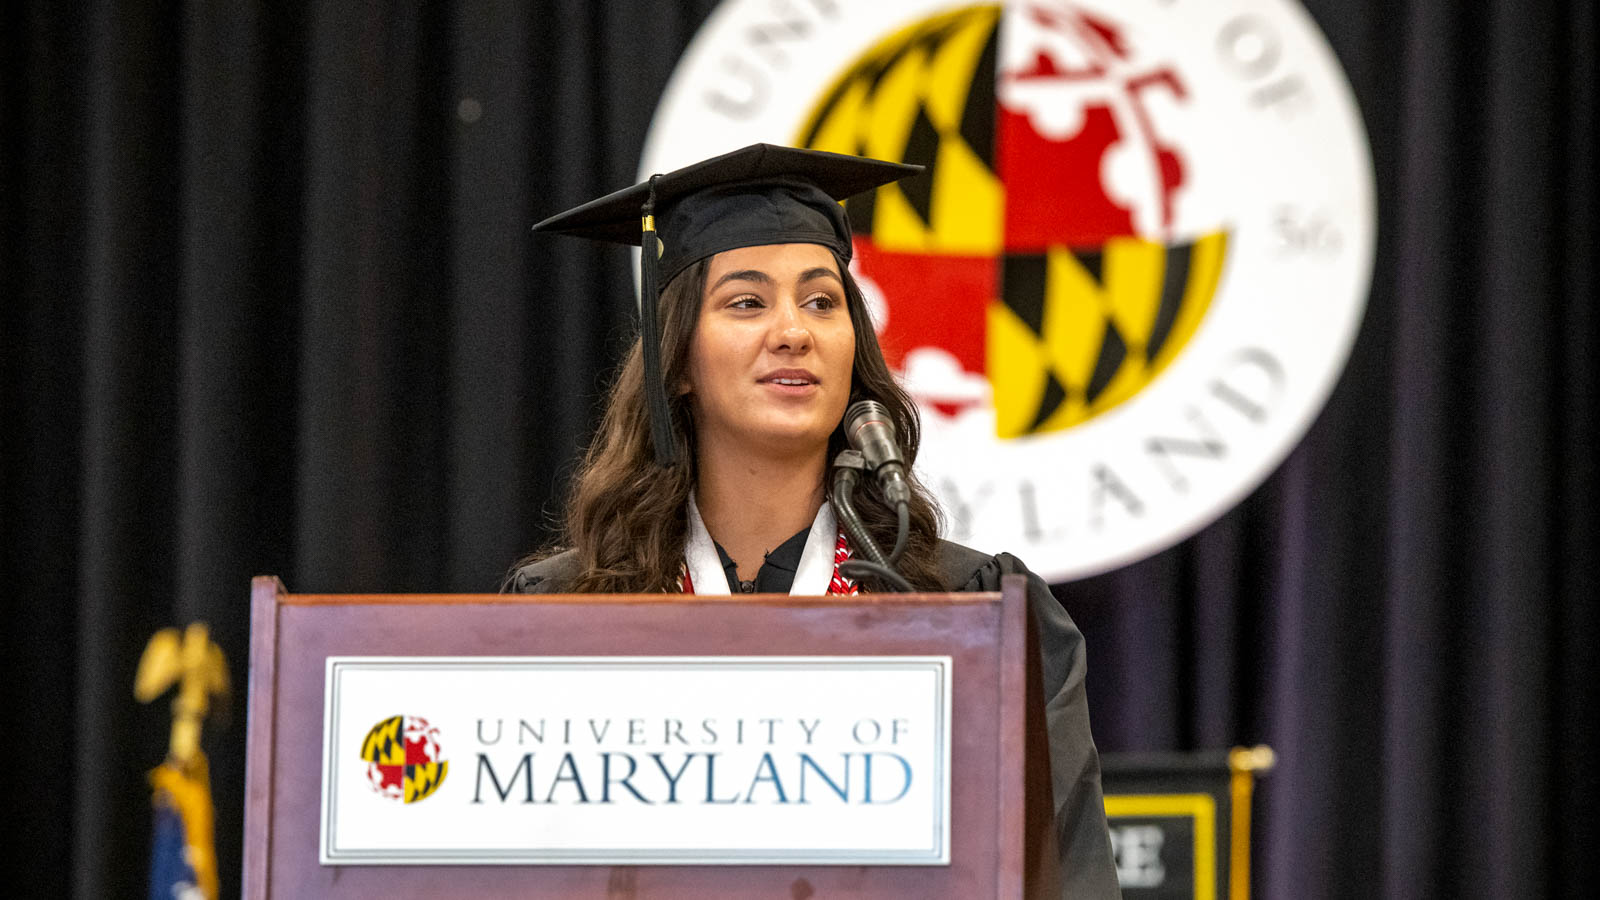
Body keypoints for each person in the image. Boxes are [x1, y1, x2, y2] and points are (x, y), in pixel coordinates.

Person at [507, 143, 1120, 897]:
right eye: (747, 301)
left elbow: (1060, 873)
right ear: (678, 362)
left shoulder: (967, 610)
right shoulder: (570, 612)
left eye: (822, 301)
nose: (793, 330)